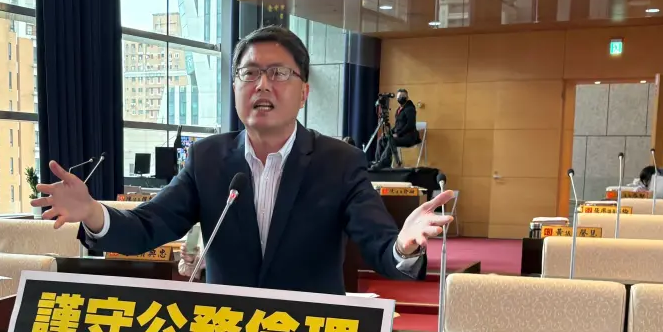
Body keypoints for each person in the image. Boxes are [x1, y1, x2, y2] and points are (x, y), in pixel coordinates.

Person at [33, 26, 453, 296]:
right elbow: (148, 227)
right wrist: (93, 213)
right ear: (235, 87)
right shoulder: (207, 159)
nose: (262, 85)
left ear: (304, 93)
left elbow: (380, 247)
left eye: (279, 73)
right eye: (249, 74)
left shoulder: (338, 162)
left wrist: (403, 244)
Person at [372, 89, 421, 170]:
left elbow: (410, 125)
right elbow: (397, 126)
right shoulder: (399, 109)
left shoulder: (410, 109)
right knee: (381, 140)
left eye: (402, 96)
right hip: (400, 136)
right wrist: (389, 133)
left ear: (407, 97)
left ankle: (384, 162)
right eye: (398, 96)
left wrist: (398, 134)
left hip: (409, 137)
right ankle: (378, 161)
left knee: (392, 140)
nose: (400, 98)